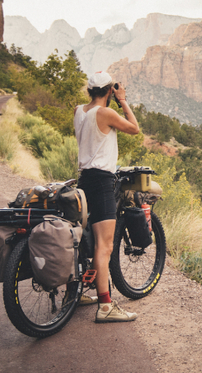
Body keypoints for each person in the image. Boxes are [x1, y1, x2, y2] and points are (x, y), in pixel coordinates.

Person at [74, 70, 141, 323]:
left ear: (90, 89)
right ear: (108, 90)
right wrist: (122, 99)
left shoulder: (78, 111)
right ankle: (105, 306)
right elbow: (134, 129)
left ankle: (78, 291)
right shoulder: (105, 112)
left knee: (86, 238)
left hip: (84, 180)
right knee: (105, 246)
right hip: (101, 182)